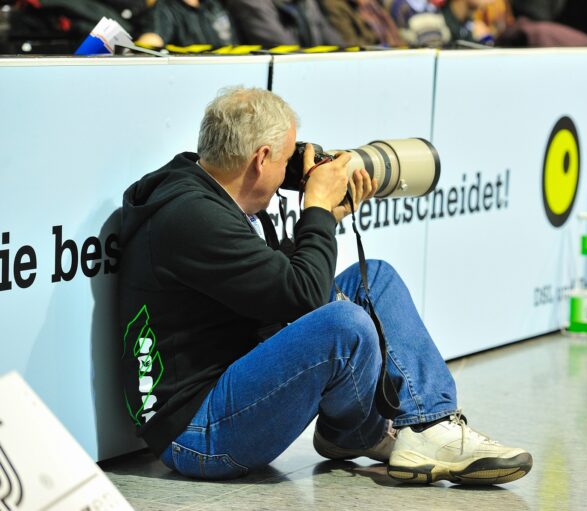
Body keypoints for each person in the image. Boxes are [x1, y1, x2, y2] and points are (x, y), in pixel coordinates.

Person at [118, 86, 533, 485]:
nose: (289, 174)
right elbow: (302, 299)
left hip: (229, 386)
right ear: (261, 159)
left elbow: (279, 289)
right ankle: (365, 433)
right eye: (286, 161)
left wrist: (327, 217)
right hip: (196, 434)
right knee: (344, 325)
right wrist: (315, 209)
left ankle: (431, 425)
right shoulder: (192, 216)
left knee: (377, 280)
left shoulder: (213, 194)